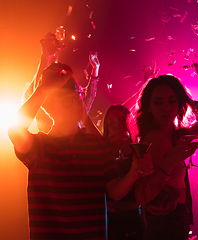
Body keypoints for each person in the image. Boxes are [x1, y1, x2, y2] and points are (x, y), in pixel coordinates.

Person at [8, 63, 152, 240]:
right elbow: (15, 131)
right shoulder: (40, 146)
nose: (78, 103)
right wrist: (44, 88)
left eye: (79, 97)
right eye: (69, 100)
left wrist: (134, 171)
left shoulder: (98, 144)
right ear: (50, 108)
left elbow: (115, 191)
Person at [133, 75, 198, 240]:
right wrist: (170, 161)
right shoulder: (155, 138)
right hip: (164, 221)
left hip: (174, 218)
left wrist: (188, 101)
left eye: (172, 101)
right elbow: (143, 194)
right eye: (158, 102)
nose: (166, 108)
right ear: (148, 106)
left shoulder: (175, 135)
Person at [22, 33, 101, 134]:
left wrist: (96, 68)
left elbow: (90, 95)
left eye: (77, 97)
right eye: (67, 100)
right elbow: (41, 89)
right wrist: (45, 57)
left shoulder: (88, 143)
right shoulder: (46, 142)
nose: (75, 103)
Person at [103, 104, 152, 240]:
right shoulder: (101, 154)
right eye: (111, 123)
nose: (118, 125)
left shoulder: (139, 154)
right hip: (106, 219)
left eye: (122, 120)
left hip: (132, 218)